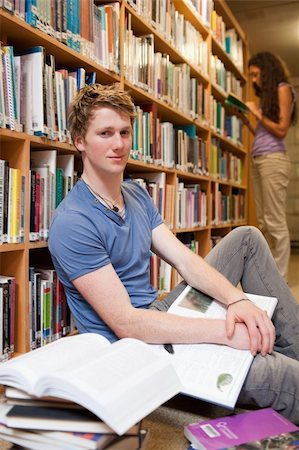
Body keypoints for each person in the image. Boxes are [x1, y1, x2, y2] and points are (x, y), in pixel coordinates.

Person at [48, 83, 299, 425]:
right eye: (105, 133)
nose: (119, 144)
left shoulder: (135, 194)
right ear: (80, 141)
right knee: (282, 377)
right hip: (136, 347)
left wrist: (237, 302)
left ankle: (292, 354)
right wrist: (225, 332)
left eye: (124, 132)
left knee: (247, 238)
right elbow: (127, 323)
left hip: (161, 311)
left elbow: (184, 260)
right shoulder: (72, 222)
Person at [243, 51, 297, 281]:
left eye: (256, 74)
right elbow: (265, 134)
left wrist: (257, 113)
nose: (254, 80)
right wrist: (248, 120)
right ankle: (269, 277)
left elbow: (281, 130)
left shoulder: (283, 89)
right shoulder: (268, 98)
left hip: (273, 160)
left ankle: (280, 280)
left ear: (267, 70)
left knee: (275, 222)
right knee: (264, 223)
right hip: (260, 159)